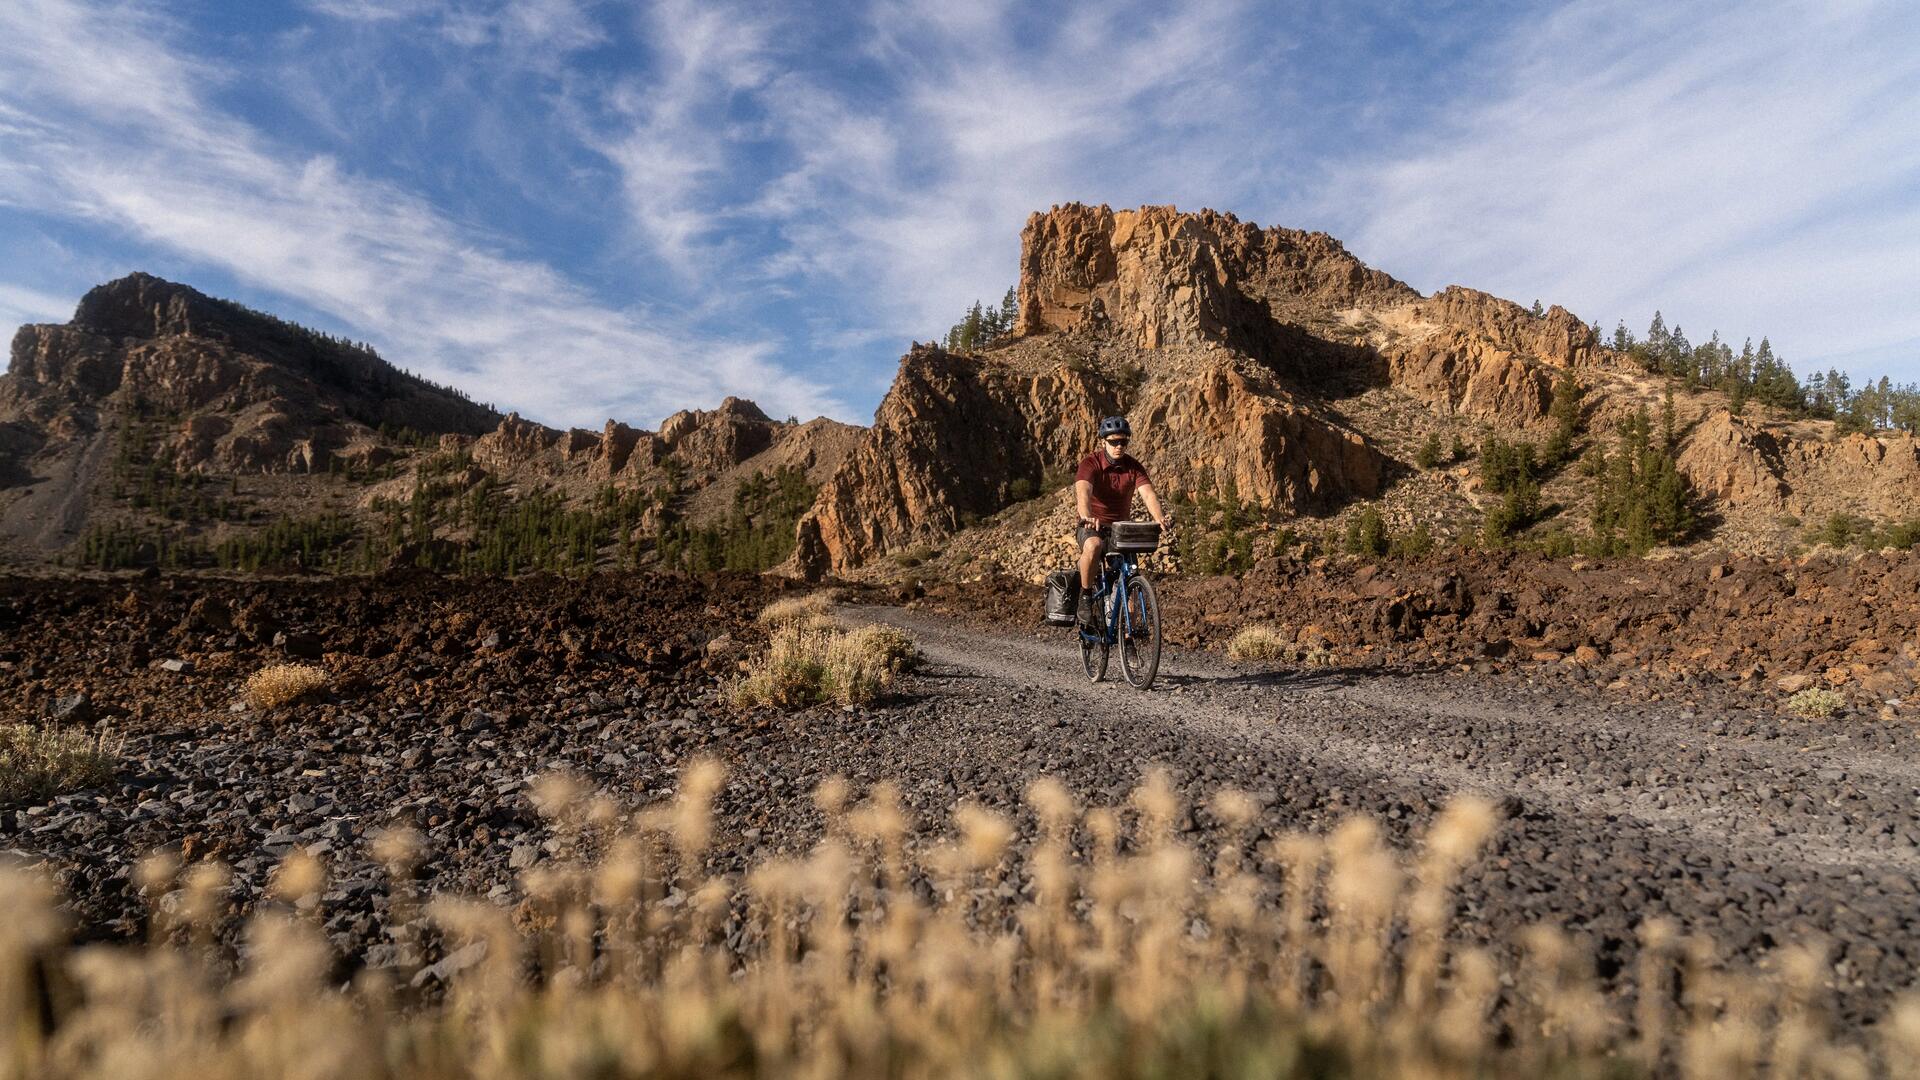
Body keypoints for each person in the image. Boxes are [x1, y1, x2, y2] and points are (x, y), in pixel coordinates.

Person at [1074, 416, 1171, 632]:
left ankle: (1128, 640)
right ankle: (1086, 596)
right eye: (1114, 442)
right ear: (1103, 442)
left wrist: (1159, 517)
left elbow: (1148, 495)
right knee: (1093, 546)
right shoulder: (1091, 463)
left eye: (1123, 442)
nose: (1119, 446)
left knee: (1130, 583)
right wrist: (1086, 515)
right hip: (1093, 525)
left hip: (1121, 531)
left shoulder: (1133, 467)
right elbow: (1083, 492)